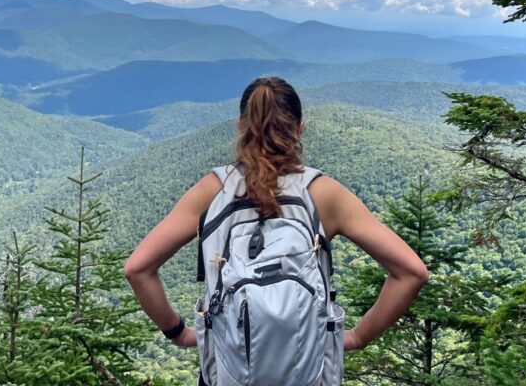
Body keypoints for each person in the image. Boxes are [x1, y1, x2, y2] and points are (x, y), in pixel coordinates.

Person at [123, 75, 430, 362]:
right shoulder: (324, 195)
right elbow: (411, 272)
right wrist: (357, 337)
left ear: (241, 126)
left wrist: (179, 333)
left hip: (228, 367)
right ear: (300, 128)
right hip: (308, 366)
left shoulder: (213, 191)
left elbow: (138, 269)